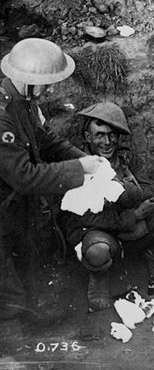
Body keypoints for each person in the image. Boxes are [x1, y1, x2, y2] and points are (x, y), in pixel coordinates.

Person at [0, 38, 104, 353]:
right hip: (5, 203)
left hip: (14, 204)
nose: (50, 91)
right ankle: (14, 346)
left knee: (26, 259)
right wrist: (78, 169)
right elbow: (24, 175)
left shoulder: (26, 103)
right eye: (46, 85)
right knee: (5, 280)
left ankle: (30, 320)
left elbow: (45, 140)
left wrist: (88, 163)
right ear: (28, 80)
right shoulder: (3, 116)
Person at [60, 102, 154, 312]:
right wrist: (133, 213)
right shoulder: (77, 165)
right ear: (87, 138)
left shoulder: (125, 157)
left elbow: (149, 189)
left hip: (134, 226)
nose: (107, 141)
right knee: (97, 251)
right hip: (102, 233)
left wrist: (129, 189)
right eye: (100, 135)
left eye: (112, 135)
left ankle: (153, 252)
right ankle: (99, 278)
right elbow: (81, 218)